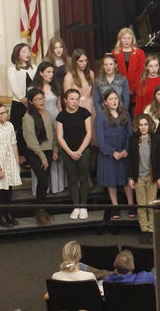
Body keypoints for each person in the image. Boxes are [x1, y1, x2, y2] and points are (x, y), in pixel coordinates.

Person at [23, 88, 59, 226]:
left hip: (48, 151)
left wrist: (55, 149)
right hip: (36, 153)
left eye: (42, 98)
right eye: (37, 99)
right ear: (31, 102)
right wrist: (43, 157)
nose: (41, 101)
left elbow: (53, 133)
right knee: (42, 181)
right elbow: (30, 141)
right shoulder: (28, 117)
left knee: (45, 181)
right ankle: (39, 212)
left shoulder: (48, 113)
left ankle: (42, 209)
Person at [127, 114, 160, 244]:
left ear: (149, 125)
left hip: (152, 177)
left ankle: (151, 230)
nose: (143, 127)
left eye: (145, 124)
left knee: (151, 205)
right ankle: (144, 231)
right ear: (137, 126)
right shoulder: (133, 140)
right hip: (138, 177)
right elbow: (131, 160)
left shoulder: (156, 139)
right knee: (141, 205)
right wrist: (130, 177)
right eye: (141, 125)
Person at [29, 62, 65, 196]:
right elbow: (30, 108)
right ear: (41, 73)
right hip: (41, 119)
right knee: (44, 149)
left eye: (52, 72)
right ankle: (43, 186)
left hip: (55, 117)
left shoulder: (55, 86)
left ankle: (57, 185)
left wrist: (62, 121)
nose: (51, 75)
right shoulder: (33, 88)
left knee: (56, 151)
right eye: (48, 72)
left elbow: (59, 106)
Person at [95, 89, 132, 219]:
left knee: (126, 179)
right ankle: (115, 206)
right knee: (111, 181)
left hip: (123, 152)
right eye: (110, 99)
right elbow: (100, 139)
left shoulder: (125, 114)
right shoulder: (100, 116)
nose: (114, 101)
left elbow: (130, 134)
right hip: (109, 154)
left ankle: (130, 205)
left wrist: (126, 149)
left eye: (115, 98)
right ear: (105, 102)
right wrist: (112, 152)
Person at [58, 89, 94, 220]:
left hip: (83, 150)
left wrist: (79, 151)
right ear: (65, 100)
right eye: (72, 99)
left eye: (77, 99)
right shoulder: (61, 116)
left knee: (83, 178)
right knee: (72, 179)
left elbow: (89, 133)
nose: (75, 102)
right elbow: (60, 137)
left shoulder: (84, 113)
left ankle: (84, 206)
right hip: (68, 151)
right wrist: (70, 152)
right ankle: (76, 206)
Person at [0, 102, 22, 227]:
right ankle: (0, 216)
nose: (5, 115)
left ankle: (8, 214)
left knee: (9, 189)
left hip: (9, 159)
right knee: (1, 191)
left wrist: (17, 163)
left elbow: (14, 144)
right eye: (2, 113)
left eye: (6, 112)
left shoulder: (9, 126)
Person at [8, 43, 37, 160]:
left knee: (31, 129)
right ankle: (21, 156)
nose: (27, 54)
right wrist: (22, 98)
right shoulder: (12, 69)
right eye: (24, 51)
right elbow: (13, 86)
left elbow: (36, 84)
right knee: (19, 130)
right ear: (18, 54)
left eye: (28, 51)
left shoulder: (33, 68)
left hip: (32, 103)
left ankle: (31, 155)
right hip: (18, 104)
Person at [110, 28, 146, 100]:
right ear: (120, 39)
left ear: (132, 39)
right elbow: (112, 72)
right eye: (124, 38)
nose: (126, 41)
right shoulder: (114, 54)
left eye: (129, 38)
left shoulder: (140, 53)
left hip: (137, 90)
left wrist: (133, 88)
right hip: (119, 91)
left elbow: (143, 71)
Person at [64, 50, 97, 115]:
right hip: (76, 107)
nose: (84, 63)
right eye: (81, 61)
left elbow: (93, 93)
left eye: (85, 60)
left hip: (90, 105)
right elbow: (67, 99)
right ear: (75, 62)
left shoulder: (90, 74)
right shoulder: (69, 77)